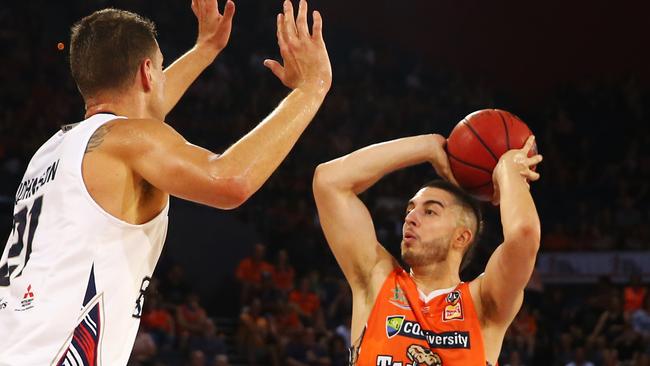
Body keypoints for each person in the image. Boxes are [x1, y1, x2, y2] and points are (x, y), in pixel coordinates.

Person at [0, 0, 331, 364]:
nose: (163, 76)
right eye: (160, 67)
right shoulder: (127, 140)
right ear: (146, 72)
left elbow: (140, 109)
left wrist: (205, 49)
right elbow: (230, 180)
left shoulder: (53, 151)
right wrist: (311, 89)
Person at [313, 133, 542, 365]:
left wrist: (508, 172)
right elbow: (329, 181)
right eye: (409, 210)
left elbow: (524, 236)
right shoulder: (377, 279)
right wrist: (428, 147)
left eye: (430, 211)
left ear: (461, 237)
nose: (411, 218)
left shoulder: (482, 302)